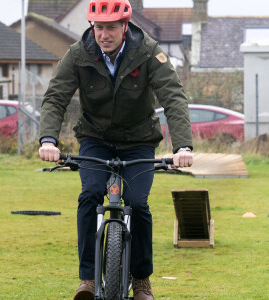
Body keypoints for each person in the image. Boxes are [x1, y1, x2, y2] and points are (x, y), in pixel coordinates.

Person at [39, 0, 193, 299]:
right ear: (91, 27)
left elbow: (173, 97)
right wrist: (48, 140)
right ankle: (87, 279)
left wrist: (183, 146)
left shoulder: (148, 52)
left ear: (125, 26)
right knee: (90, 196)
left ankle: (142, 280)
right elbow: (55, 97)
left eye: (111, 27)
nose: (104, 34)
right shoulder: (78, 54)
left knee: (137, 203)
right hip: (95, 139)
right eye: (99, 27)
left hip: (138, 141)